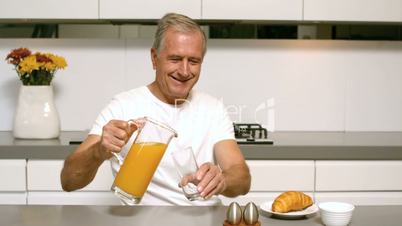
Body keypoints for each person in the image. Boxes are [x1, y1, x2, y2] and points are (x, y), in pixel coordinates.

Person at [60, 13, 251, 205]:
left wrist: (223, 180)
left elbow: (241, 178)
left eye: (193, 61)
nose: (185, 71)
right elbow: (68, 181)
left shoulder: (213, 108)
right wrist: (99, 150)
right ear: (154, 58)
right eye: (175, 59)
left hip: (203, 219)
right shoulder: (122, 106)